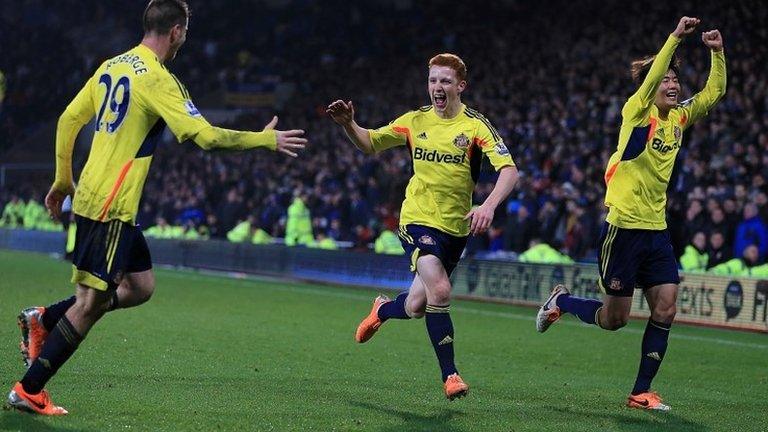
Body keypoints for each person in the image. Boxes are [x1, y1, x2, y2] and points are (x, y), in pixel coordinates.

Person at [7, 0, 306, 416]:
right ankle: (30, 389)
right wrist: (263, 140)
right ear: (178, 32)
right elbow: (203, 137)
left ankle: (43, 319)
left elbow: (68, 120)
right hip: (111, 203)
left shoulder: (111, 65)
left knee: (140, 287)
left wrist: (63, 180)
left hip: (103, 198)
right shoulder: (159, 79)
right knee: (90, 304)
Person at [535, 17, 726, 411]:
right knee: (614, 319)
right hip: (623, 230)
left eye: (676, 80)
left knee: (667, 306)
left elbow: (714, 92)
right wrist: (673, 39)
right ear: (650, 88)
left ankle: (641, 390)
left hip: (656, 231)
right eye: (666, 80)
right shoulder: (636, 112)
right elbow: (652, 80)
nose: (673, 85)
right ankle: (563, 303)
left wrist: (717, 53)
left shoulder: (678, 119)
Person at [327, 53, 518, 400]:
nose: (437, 87)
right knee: (441, 291)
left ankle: (382, 309)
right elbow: (370, 143)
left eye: (445, 81)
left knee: (416, 307)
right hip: (417, 219)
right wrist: (348, 125)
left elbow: (509, 170)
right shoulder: (414, 121)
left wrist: (488, 205)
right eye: (432, 80)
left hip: (455, 229)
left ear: (460, 86)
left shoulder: (475, 126)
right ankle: (451, 376)